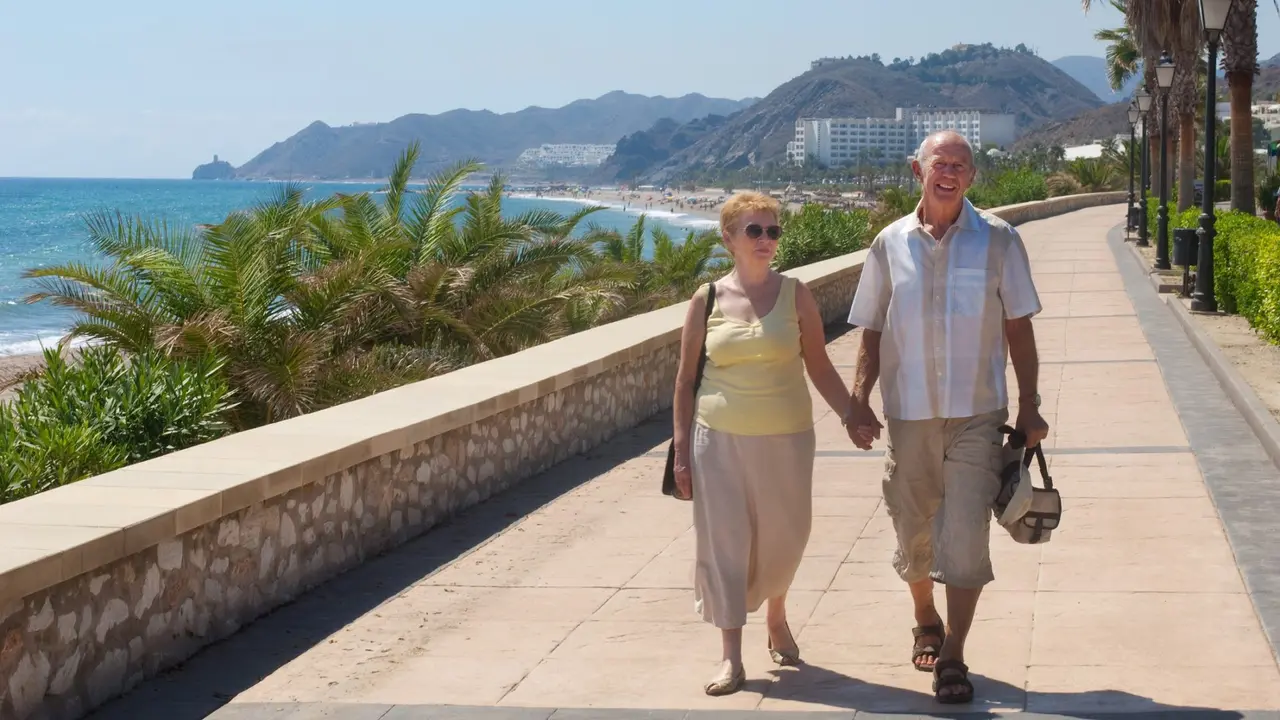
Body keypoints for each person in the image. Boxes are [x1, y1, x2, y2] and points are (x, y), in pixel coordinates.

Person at [843, 131, 1049, 704]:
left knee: (964, 531)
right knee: (911, 526)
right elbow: (872, 327)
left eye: (961, 165)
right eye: (941, 163)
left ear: (972, 177)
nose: (950, 172)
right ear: (919, 170)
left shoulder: (1000, 240)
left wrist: (1030, 403)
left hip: (977, 413)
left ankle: (954, 652)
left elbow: (1019, 327)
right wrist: (859, 398)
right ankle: (924, 617)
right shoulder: (889, 243)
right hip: (908, 414)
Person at [671, 190, 852, 696]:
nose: (766, 239)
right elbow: (684, 381)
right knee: (725, 544)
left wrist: (851, 412)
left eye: (773, 230)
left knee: (785, 537)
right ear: (729, 238)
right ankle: (730, 656)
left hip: (787, 437)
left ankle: (776, 612)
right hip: (718, 439)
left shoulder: (797, 294)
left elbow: (819, 365)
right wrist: (682, 453)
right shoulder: (706, 299)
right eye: (754, 230)